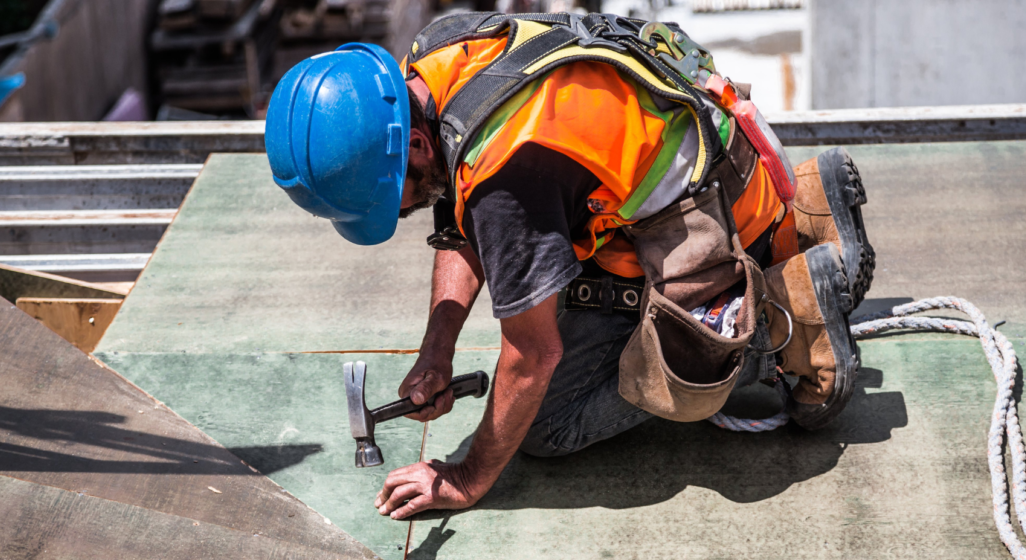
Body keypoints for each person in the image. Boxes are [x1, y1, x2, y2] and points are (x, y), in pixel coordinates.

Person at [264, 12, 874, 521]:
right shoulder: (438, 57)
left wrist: (467, 478)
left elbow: (533, 356)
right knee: (542, 290)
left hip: (711, 227)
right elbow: (458, 215)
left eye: (387, 201)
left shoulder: (508, 175)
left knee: (548, 425)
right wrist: (437, 349)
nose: (395, 217)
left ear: (416, 145)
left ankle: (780, 318)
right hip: (719, 165)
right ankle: (808, 209)